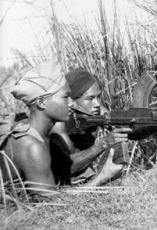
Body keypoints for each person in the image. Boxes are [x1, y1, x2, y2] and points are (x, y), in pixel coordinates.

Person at [0, 61, 122, 199]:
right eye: (65, 97)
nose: (71, 103)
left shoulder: (39, 135)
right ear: (42, 102)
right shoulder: (31, 145)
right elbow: (53, 205)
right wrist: (102, 177)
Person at [49, 67, 132, 184]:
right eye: (90, 99)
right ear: (72, 101)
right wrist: (103, 144)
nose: (97, 104)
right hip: (61, 179)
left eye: (98, 96)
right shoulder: (58, 125)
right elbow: (66, 167)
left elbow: (127, 126)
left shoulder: (98, 112)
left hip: (86, 175)